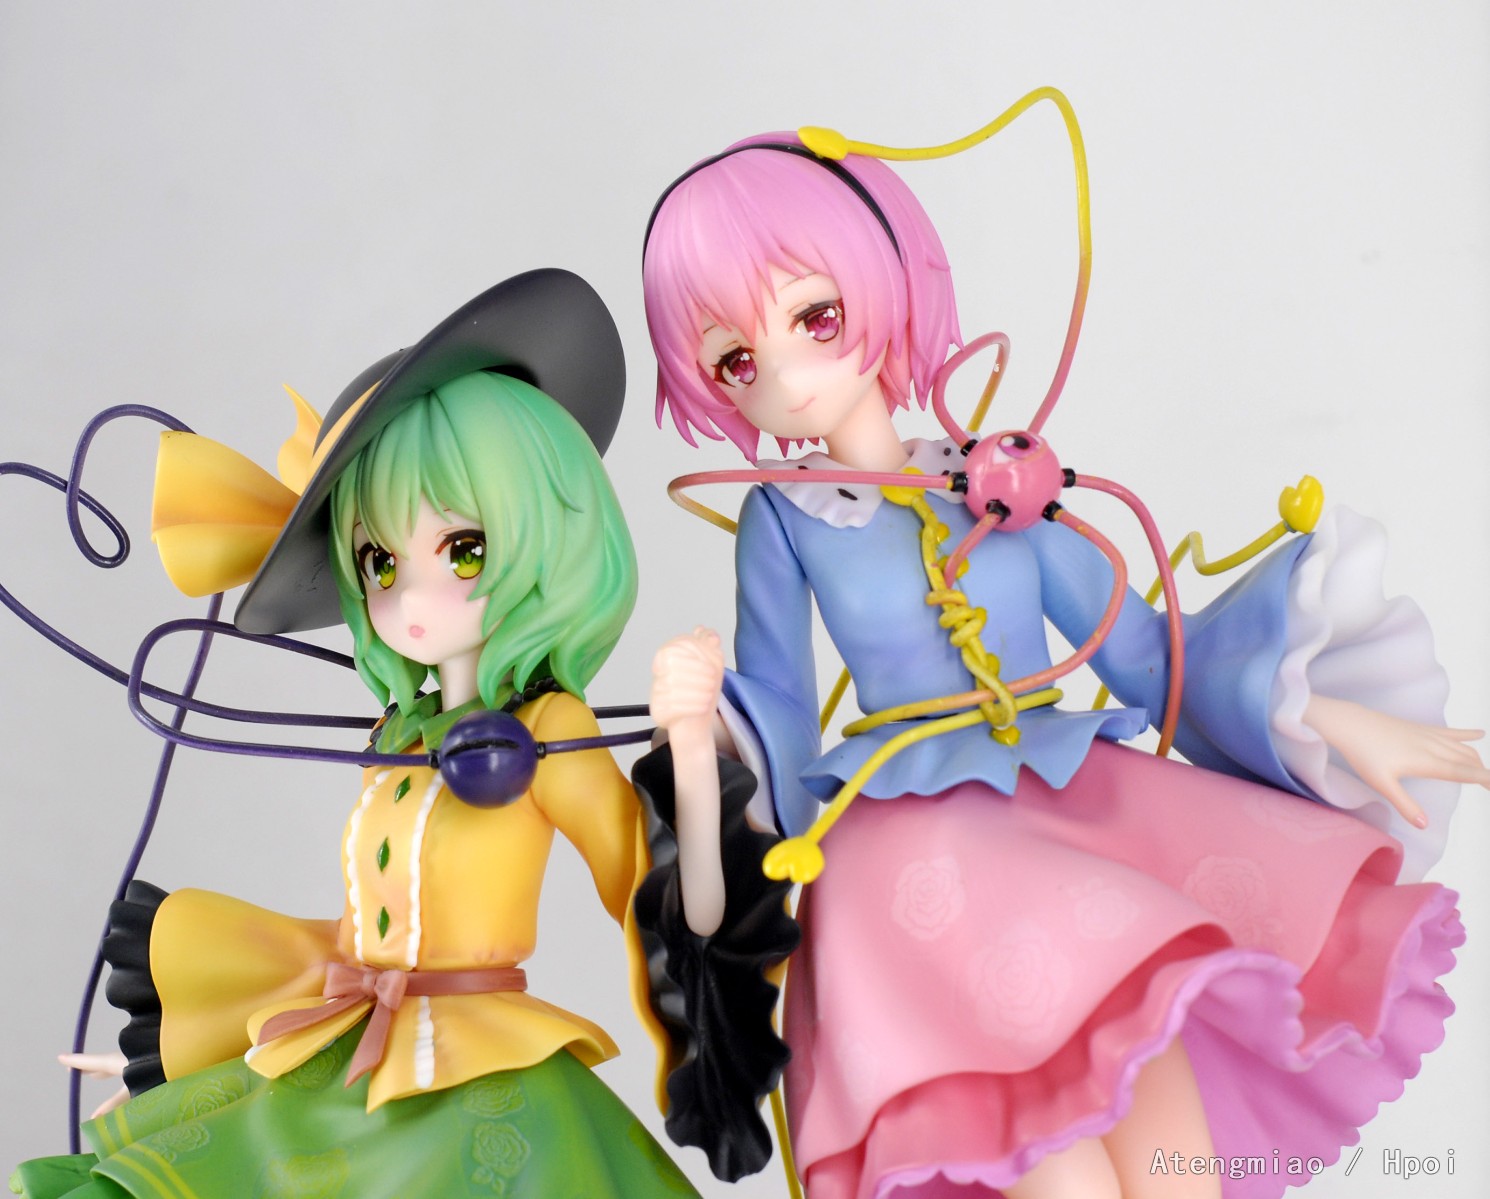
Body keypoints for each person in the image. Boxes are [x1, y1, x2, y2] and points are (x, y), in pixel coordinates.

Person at [641, 131, 1487, 1198]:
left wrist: (1326, 716)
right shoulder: (785, 518)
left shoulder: (1000, 478)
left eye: (815, 317)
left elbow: (1143, 655)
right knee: (1054, 1173)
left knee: (1172, 1155)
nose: (786, 377)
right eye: (736, 360)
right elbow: (784, 725)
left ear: (881, 279)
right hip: (917, 873)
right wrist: (692, 739)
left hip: (1074, 813)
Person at [11, 270, 716, 1198]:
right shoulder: (398, 732)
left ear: (549, 536)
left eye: (463, 549)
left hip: (483, 1076)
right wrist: (193, 1062)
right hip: (353, 1055)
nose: (413, 596)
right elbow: (359, 940)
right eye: (380, 561)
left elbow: (670, 903)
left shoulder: (549, 727)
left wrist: (689, 745)